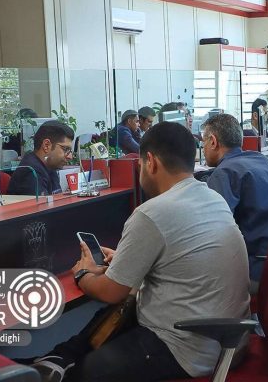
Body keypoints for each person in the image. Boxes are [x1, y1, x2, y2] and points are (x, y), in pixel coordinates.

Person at [31, 122, 250, 381]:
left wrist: (82, 274)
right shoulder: (212, 198)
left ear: (151, 162)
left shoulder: (152, 212)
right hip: (227, 343)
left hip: (185, 348)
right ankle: (57, 359)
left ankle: (60, 367)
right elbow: (182, 257)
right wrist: (125, 259)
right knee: (111, 321)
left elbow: (110, 292)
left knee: (89, 369)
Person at [201, 113, 268, 291]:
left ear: (213, 142)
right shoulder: (260, 159)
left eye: (203, 143)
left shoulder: (224, 173)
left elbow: (215, 231)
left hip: (257, 268)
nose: (203, 148)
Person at [7, 120, 74, 196]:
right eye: (65, 149)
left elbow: (57, 199)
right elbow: (43, 203)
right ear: (46, 145)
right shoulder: (31, 173)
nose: (70, 156)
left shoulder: (50, 165)